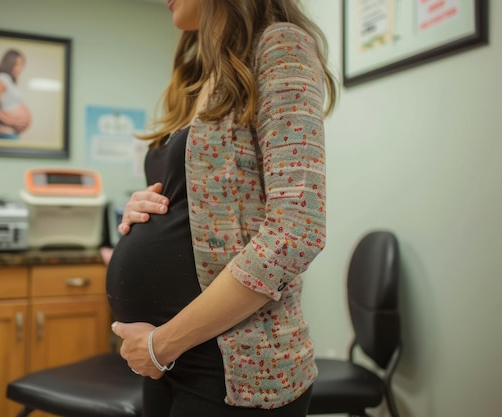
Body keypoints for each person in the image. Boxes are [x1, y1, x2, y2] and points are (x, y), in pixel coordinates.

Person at [107, 1, 337, 416]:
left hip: (233, 370)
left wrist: (164, 344)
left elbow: (297, 231)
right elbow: (203, 200)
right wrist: (143, 207)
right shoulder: (202, 79)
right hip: (170, 362)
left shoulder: (280, 46)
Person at [0, 49, 31, 139]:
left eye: (22, 65)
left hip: (11, 133)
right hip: (5, 133)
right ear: (9, 64)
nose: (21, 69)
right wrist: (8, 120)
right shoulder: (2, 78)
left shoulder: (9, 81)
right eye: (17, 65)